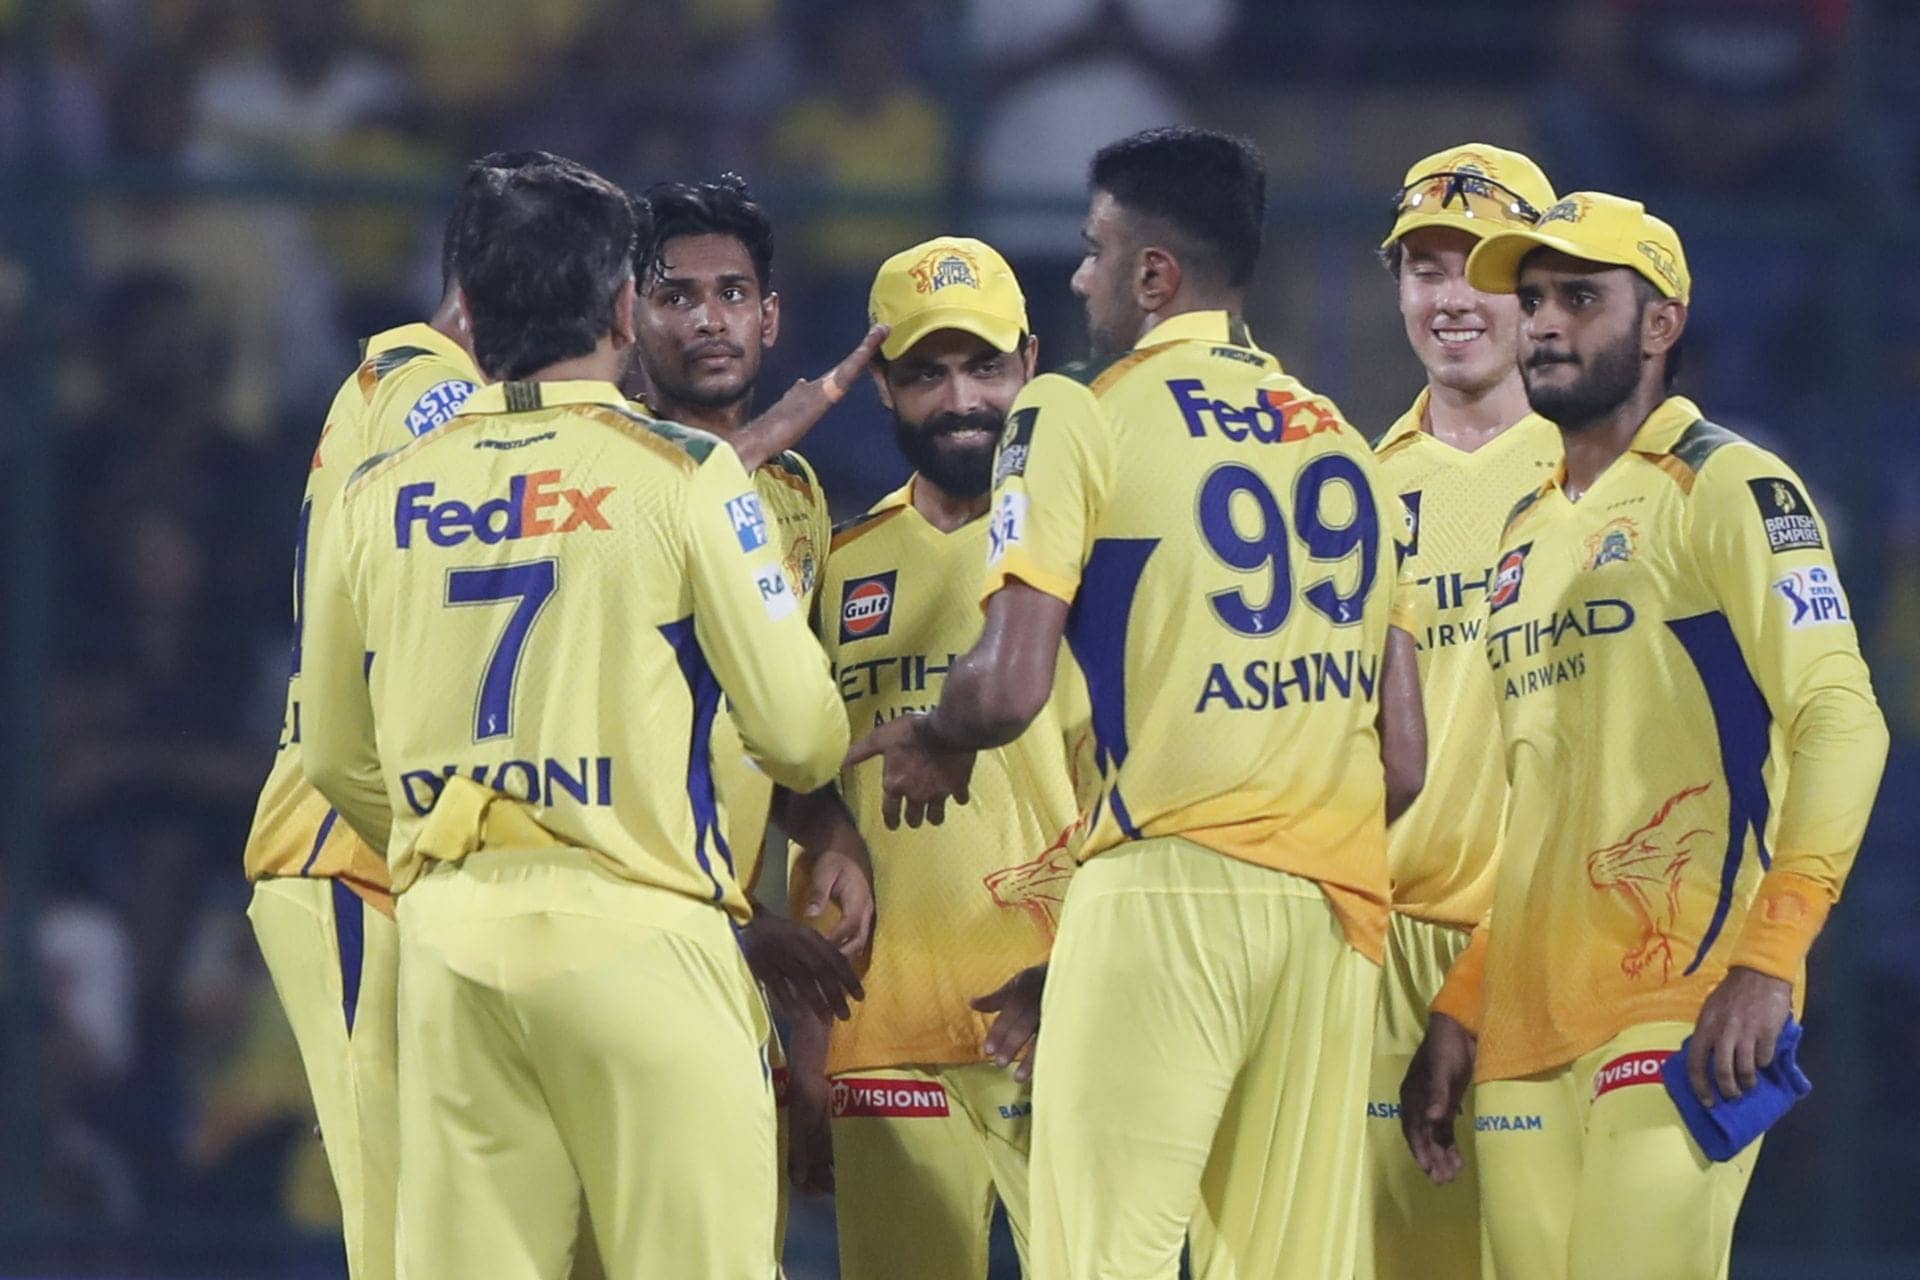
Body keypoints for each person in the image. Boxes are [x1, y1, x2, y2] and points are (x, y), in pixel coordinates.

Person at [847, 126, 1427, 1279]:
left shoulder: (1075, 411)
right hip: (1335, 904)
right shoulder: (1348, 444)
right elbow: (1404, 759)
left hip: (1163, 882)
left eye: (1093, 249)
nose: (1080, 277)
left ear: (1153, 274)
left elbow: (1009, 682)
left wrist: (940, 734)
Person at [299, 156, 851, 1279]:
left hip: (450, 945)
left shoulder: (379, 492)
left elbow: (334, 755)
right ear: (621, 308)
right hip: (641, 930)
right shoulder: (686, 473)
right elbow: (800, 734)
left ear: (471, 305)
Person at [1399, 191, 1888, 1279]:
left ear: (1661, 323)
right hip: (1522, 1034)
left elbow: (1843, 720)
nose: (1545, 323)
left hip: (1683, 1000)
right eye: (1533, 299)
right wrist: (1465, 1005)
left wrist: (1771, 958)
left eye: (1580, 297)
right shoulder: (1525, 532)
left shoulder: (1727, 483)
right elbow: (1546, 807)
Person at [239, 148, 532, 1280]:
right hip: (353, 850)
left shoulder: (398, 380)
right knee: (403, 1239)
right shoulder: (431, 389)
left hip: (381, 853)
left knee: (438, 1231)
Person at [788, 235, 1092, 1280]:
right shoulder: (837, 567)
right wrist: (811, 1047)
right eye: (926, 372)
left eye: (985, 366)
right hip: (888, 1030)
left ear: (1031, 362)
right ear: (881, 383)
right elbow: (802, 791)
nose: (962, 400)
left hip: (1067, 1015)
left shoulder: (1095, 553)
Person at [621, 173, 875, 1261]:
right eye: (677, 295)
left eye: (732, 293)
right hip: (626, 932)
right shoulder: (605, 466)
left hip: (725, 954)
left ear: (770, 317)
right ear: (630, 315)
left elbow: (781, 722)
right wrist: (727, 924)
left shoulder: (800, 496)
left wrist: (832, 832)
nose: (709, 318)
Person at [1359, 143, 1560, 1280]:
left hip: (1551, 944)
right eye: (1425, 269)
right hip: (1380, 947)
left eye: (1484, 270)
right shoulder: (1350, 485)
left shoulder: (1597, 471)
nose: (1453, 299)